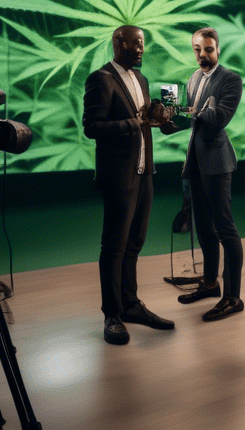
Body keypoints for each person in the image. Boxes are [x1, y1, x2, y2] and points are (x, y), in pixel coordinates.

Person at [83, 25, 175, 345]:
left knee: (135, 243)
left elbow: (146, 122)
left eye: (142, 44)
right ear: (117, 43)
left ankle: (131, 305)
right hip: (118, 175)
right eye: (134, 43)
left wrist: (159, 116)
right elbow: (92, 127)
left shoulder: (142, 79)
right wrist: (136, 122)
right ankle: (111, 313)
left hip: (143, 172)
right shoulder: (101, 79)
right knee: (114, 246)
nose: (140, 49)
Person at [161, 27, 245, 322]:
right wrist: (167, 121)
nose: (202, 55)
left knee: (225, 229)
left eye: (208, 49)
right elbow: (192, 120)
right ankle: (210, 285)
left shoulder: (231, 79)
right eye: (197, 49)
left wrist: (191, 110)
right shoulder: (194, 78)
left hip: (218, 163)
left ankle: (233, 297)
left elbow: (219, 118)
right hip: (196, 161)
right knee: (204, 229)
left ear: (218, 49)